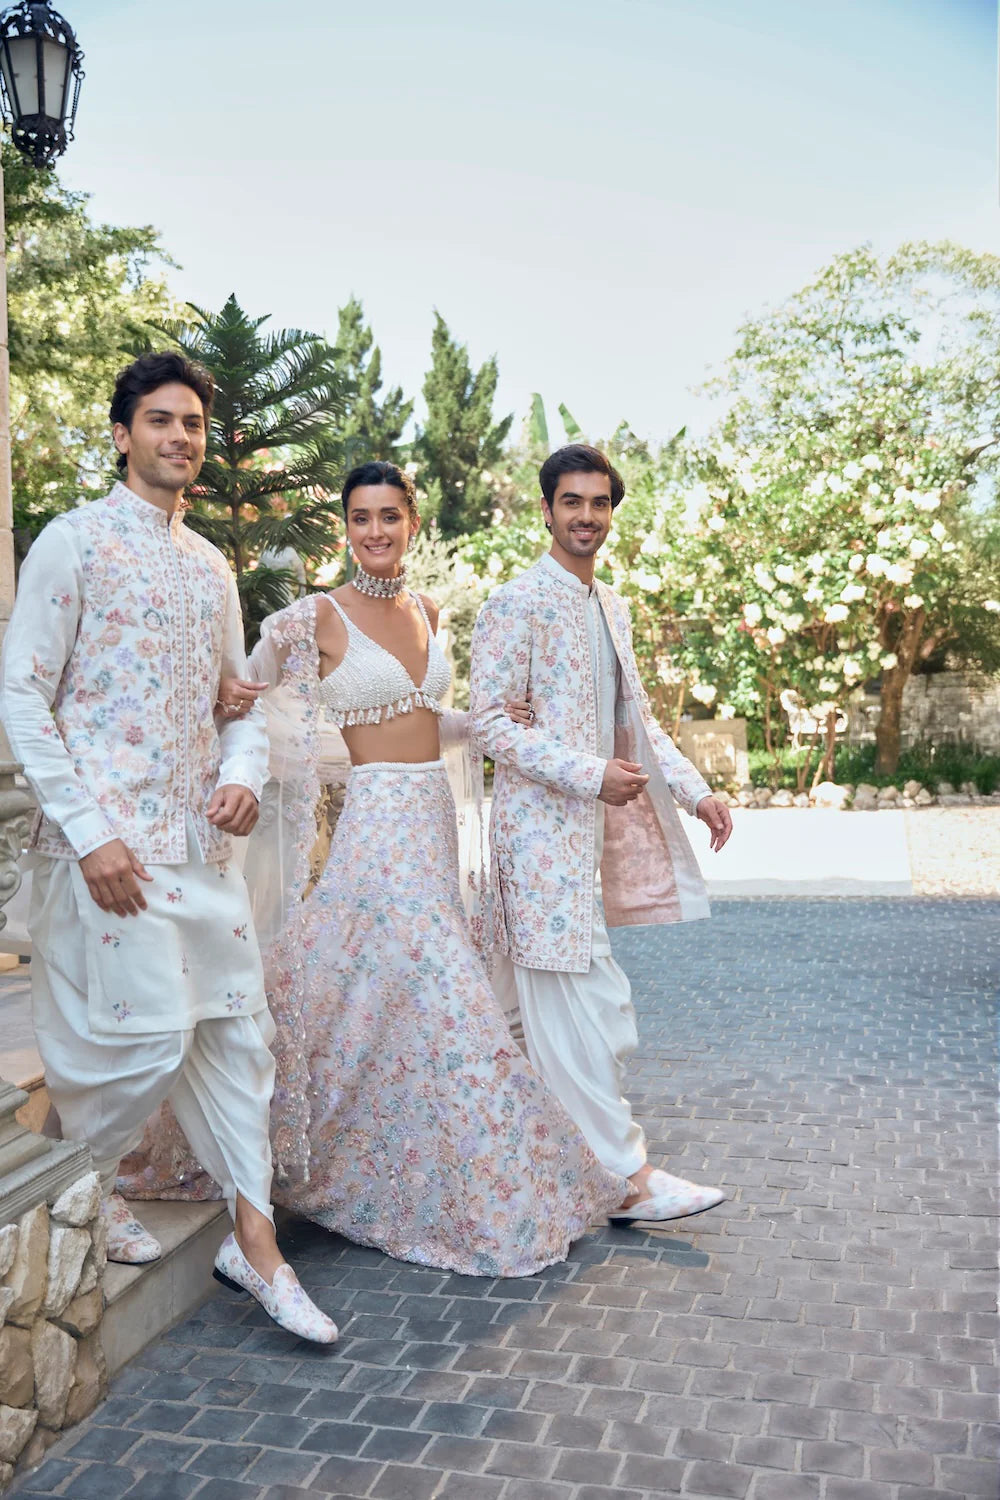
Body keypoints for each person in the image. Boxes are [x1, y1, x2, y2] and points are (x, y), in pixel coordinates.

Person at [121, 460, 628, 1276]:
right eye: (361, 518)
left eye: (390, 516)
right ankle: (493, 1196)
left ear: (412, 522)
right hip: (378, 832)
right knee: (445, 1002)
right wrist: (212, 758)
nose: (376, 531)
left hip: (433, 825)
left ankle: (389, 1158)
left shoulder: (428, 611)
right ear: (346, 528)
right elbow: (238, 691)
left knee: (360, 999)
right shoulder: (315, 617)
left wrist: (482, 720)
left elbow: (424, 723)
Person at [0, 352, 337, 1343]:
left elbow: (238, 700)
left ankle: (255, 1248)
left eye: (191, 422)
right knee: (141, 1041)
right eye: (159, 419)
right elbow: (22, 694)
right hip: (111, 855)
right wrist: (89, 832)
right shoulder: (73, 541)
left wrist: (244, 774)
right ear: (122, 434)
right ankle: (85, 1178)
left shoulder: (210, 566)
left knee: (239, 1041)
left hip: (200, 849)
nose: (179, 436)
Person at [470, 443, 734, 1226]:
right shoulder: (514, 603)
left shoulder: (610, 604)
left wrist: (696, 791)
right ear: (546, 510)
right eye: (572, 502)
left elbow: (638, 721)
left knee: (576, 1010)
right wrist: (591, 775)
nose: (587, 516)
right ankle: (628, 1179)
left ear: (611, 512)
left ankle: (572, 1170)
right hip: (537, 844)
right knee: (584, 1008)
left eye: (599, 503)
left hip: (587, 843)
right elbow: (490, 726)